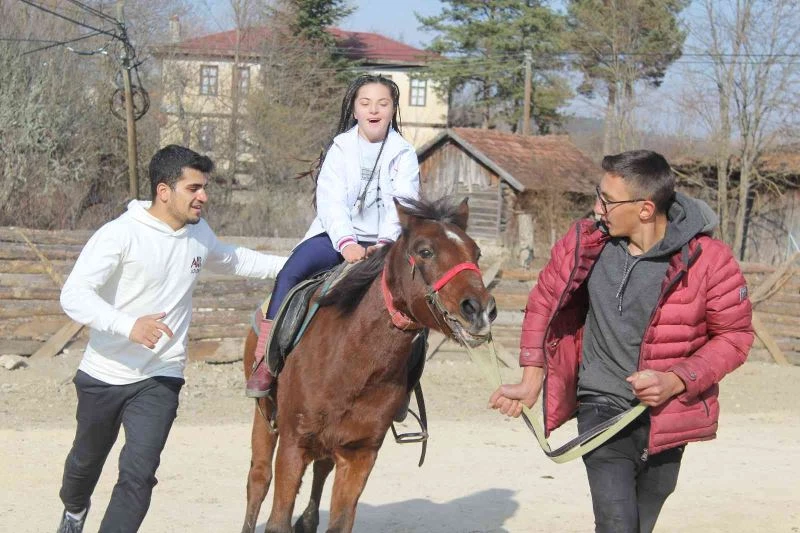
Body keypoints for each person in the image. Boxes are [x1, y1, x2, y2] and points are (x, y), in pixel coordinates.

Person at [489, 150, 753, 533]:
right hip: (600, 404)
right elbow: (543, 302)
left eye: (608, 200)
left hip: (668, 417)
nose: (598, 208)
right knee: (616, 525)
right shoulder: (585, 243)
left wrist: (676, 380)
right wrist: (532, 378)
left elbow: (735, 336)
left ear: (645, 209)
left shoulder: (709, 260)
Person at [56, 145, 287, 533]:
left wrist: (301, 263)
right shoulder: (119, 235)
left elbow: (234, 259)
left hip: (161, 375)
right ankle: (74, 510)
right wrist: (128, 326)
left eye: (205, 187)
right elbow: (73, 295)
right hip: (104, 373)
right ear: (164, 191)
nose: (204, 196)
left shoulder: (198, 234)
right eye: (194, 187)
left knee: (139, 474)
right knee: (85, 462)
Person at [245, 73, 420, 397]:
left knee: (416, 293)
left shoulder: (404, 153)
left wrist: (383, 246)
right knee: (290, 273)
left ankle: (402, 385)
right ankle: (265, 362)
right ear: (354, 110)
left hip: (386, 243)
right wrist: (346, 243)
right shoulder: (340, 148)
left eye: (382, 103)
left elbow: (403, 203)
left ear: (392, 109)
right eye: (365, 103)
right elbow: (330, 200)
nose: (374, 109)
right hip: (334, 236)